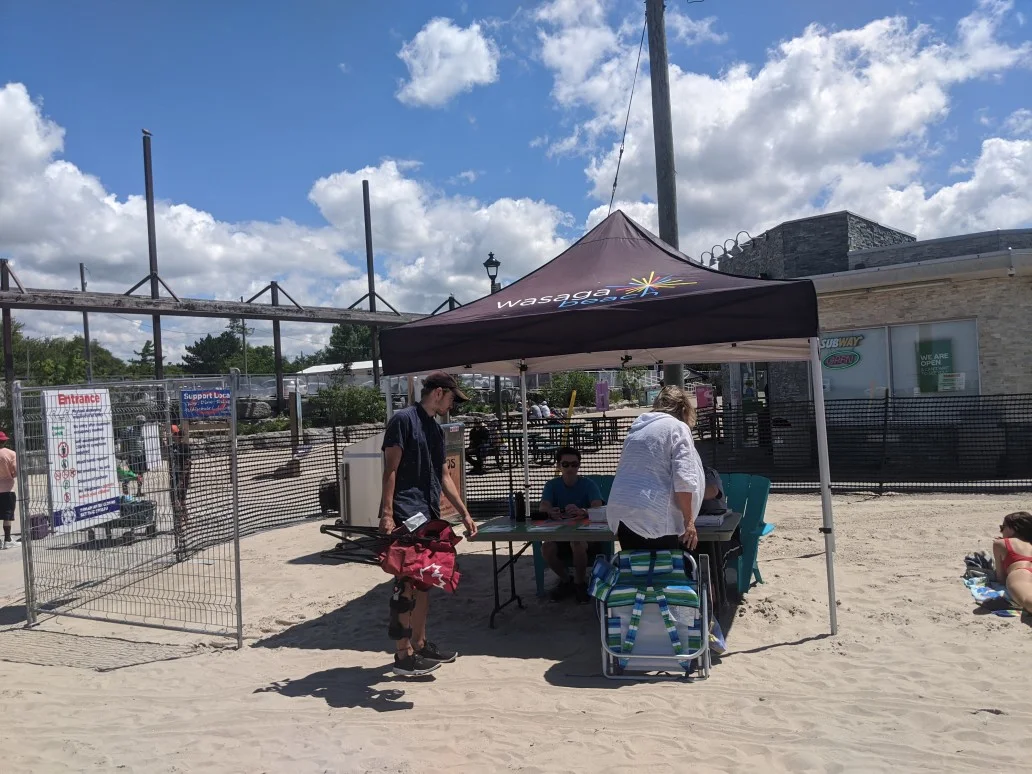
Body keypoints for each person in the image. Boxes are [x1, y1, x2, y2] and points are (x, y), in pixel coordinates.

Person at [380, 370, 478, 677]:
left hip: (428, 512)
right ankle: (402, 655)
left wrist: (464, 513)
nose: (452, 405)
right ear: (438, 392)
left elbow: (443, 475)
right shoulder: (403, 420)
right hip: (405, 511)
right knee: (406, 581)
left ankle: (420, 644)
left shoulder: (435, 429)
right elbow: (391, 470)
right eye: (451, 398)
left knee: (425, 580)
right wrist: (386, 512)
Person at [606, 385, 704, 551]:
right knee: (664, 572)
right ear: (683, 408)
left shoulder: (638, 428)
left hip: (621, 512)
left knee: (636, 570)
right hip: (653, 514)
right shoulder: (678, 428)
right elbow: (683, 478)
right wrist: (689, 521)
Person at [539, 447, 604, 603]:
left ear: (579, 466)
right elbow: (543, 506)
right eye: (565, 464)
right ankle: (566, 580)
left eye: (574, 464)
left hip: (587, 536)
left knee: (577, 543)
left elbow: (598, 506)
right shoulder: (552, 485)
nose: (570, 468)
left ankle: (579, 583)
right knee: (546, 548)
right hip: (560, 535)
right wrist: (551, 512)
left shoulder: (588, 484)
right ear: (558, 466)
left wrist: (583, 511)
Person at [992, 511, 1032, 614]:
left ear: (1013, 528)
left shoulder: (1000, 544)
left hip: (1022, 573)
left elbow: (1001, 577)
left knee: (1028, 600)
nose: (1001, 531)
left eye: (1002, 527)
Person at [169, 425, 192, 553]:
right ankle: (178, 521)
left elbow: (188, 463)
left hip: (183, 476)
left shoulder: (185, 447)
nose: (171, 436)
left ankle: (185, 521)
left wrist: (183, 478)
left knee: (181, 499)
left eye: (173, 434)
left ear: (177, 434)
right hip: (174, 476)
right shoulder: (172, 447)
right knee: (174, 499)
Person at [0, 431, 16, 549]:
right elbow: (15, 471)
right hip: (7, 488)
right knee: (7, 515)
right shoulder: (10, 454)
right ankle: (7, 539)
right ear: (4, 441)